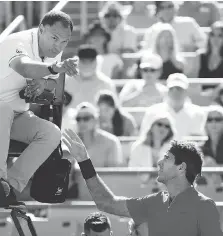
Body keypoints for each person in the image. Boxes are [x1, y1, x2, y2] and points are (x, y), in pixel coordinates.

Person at [62, 132, 223, 235]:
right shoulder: (154, 202)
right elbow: (106, 203)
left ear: (181, 168)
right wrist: (84, 160)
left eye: (167, 158)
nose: (159, 162)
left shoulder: (204, 207)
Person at [0, 10, 78, 207]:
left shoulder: (54, 48)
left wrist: (43, 84)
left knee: (51, 133)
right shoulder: (15, 42)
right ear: (41, 29)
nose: (58, 46)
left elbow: (51, 83)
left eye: (64, 42)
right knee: (4, 110)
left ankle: (8, 187)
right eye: (54, 38)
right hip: (2, 113)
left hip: (16, 114)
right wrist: (53, 70)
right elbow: (26, 68)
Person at [140, 73, 206, 140]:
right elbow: (143, 139)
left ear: (186, 91)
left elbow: (201, 141)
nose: (175, 92)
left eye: (179, 88)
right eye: (172, 89)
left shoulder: (198, 113)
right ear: (167, 91)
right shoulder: (152, 111)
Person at [62, 102, 123, 167]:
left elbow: (112, 173)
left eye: (86, 118)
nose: (82, 122)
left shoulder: (111, 142)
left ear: (95, 120)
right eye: (78, 119)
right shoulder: (69, 142)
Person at [64, 44, 117, 109]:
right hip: (69, 118)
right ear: (77, 61)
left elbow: (113, 108)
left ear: (97, 61)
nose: (87, 64)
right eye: (84, 61)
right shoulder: (66, 81)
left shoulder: (106, 83)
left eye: (90, 61)